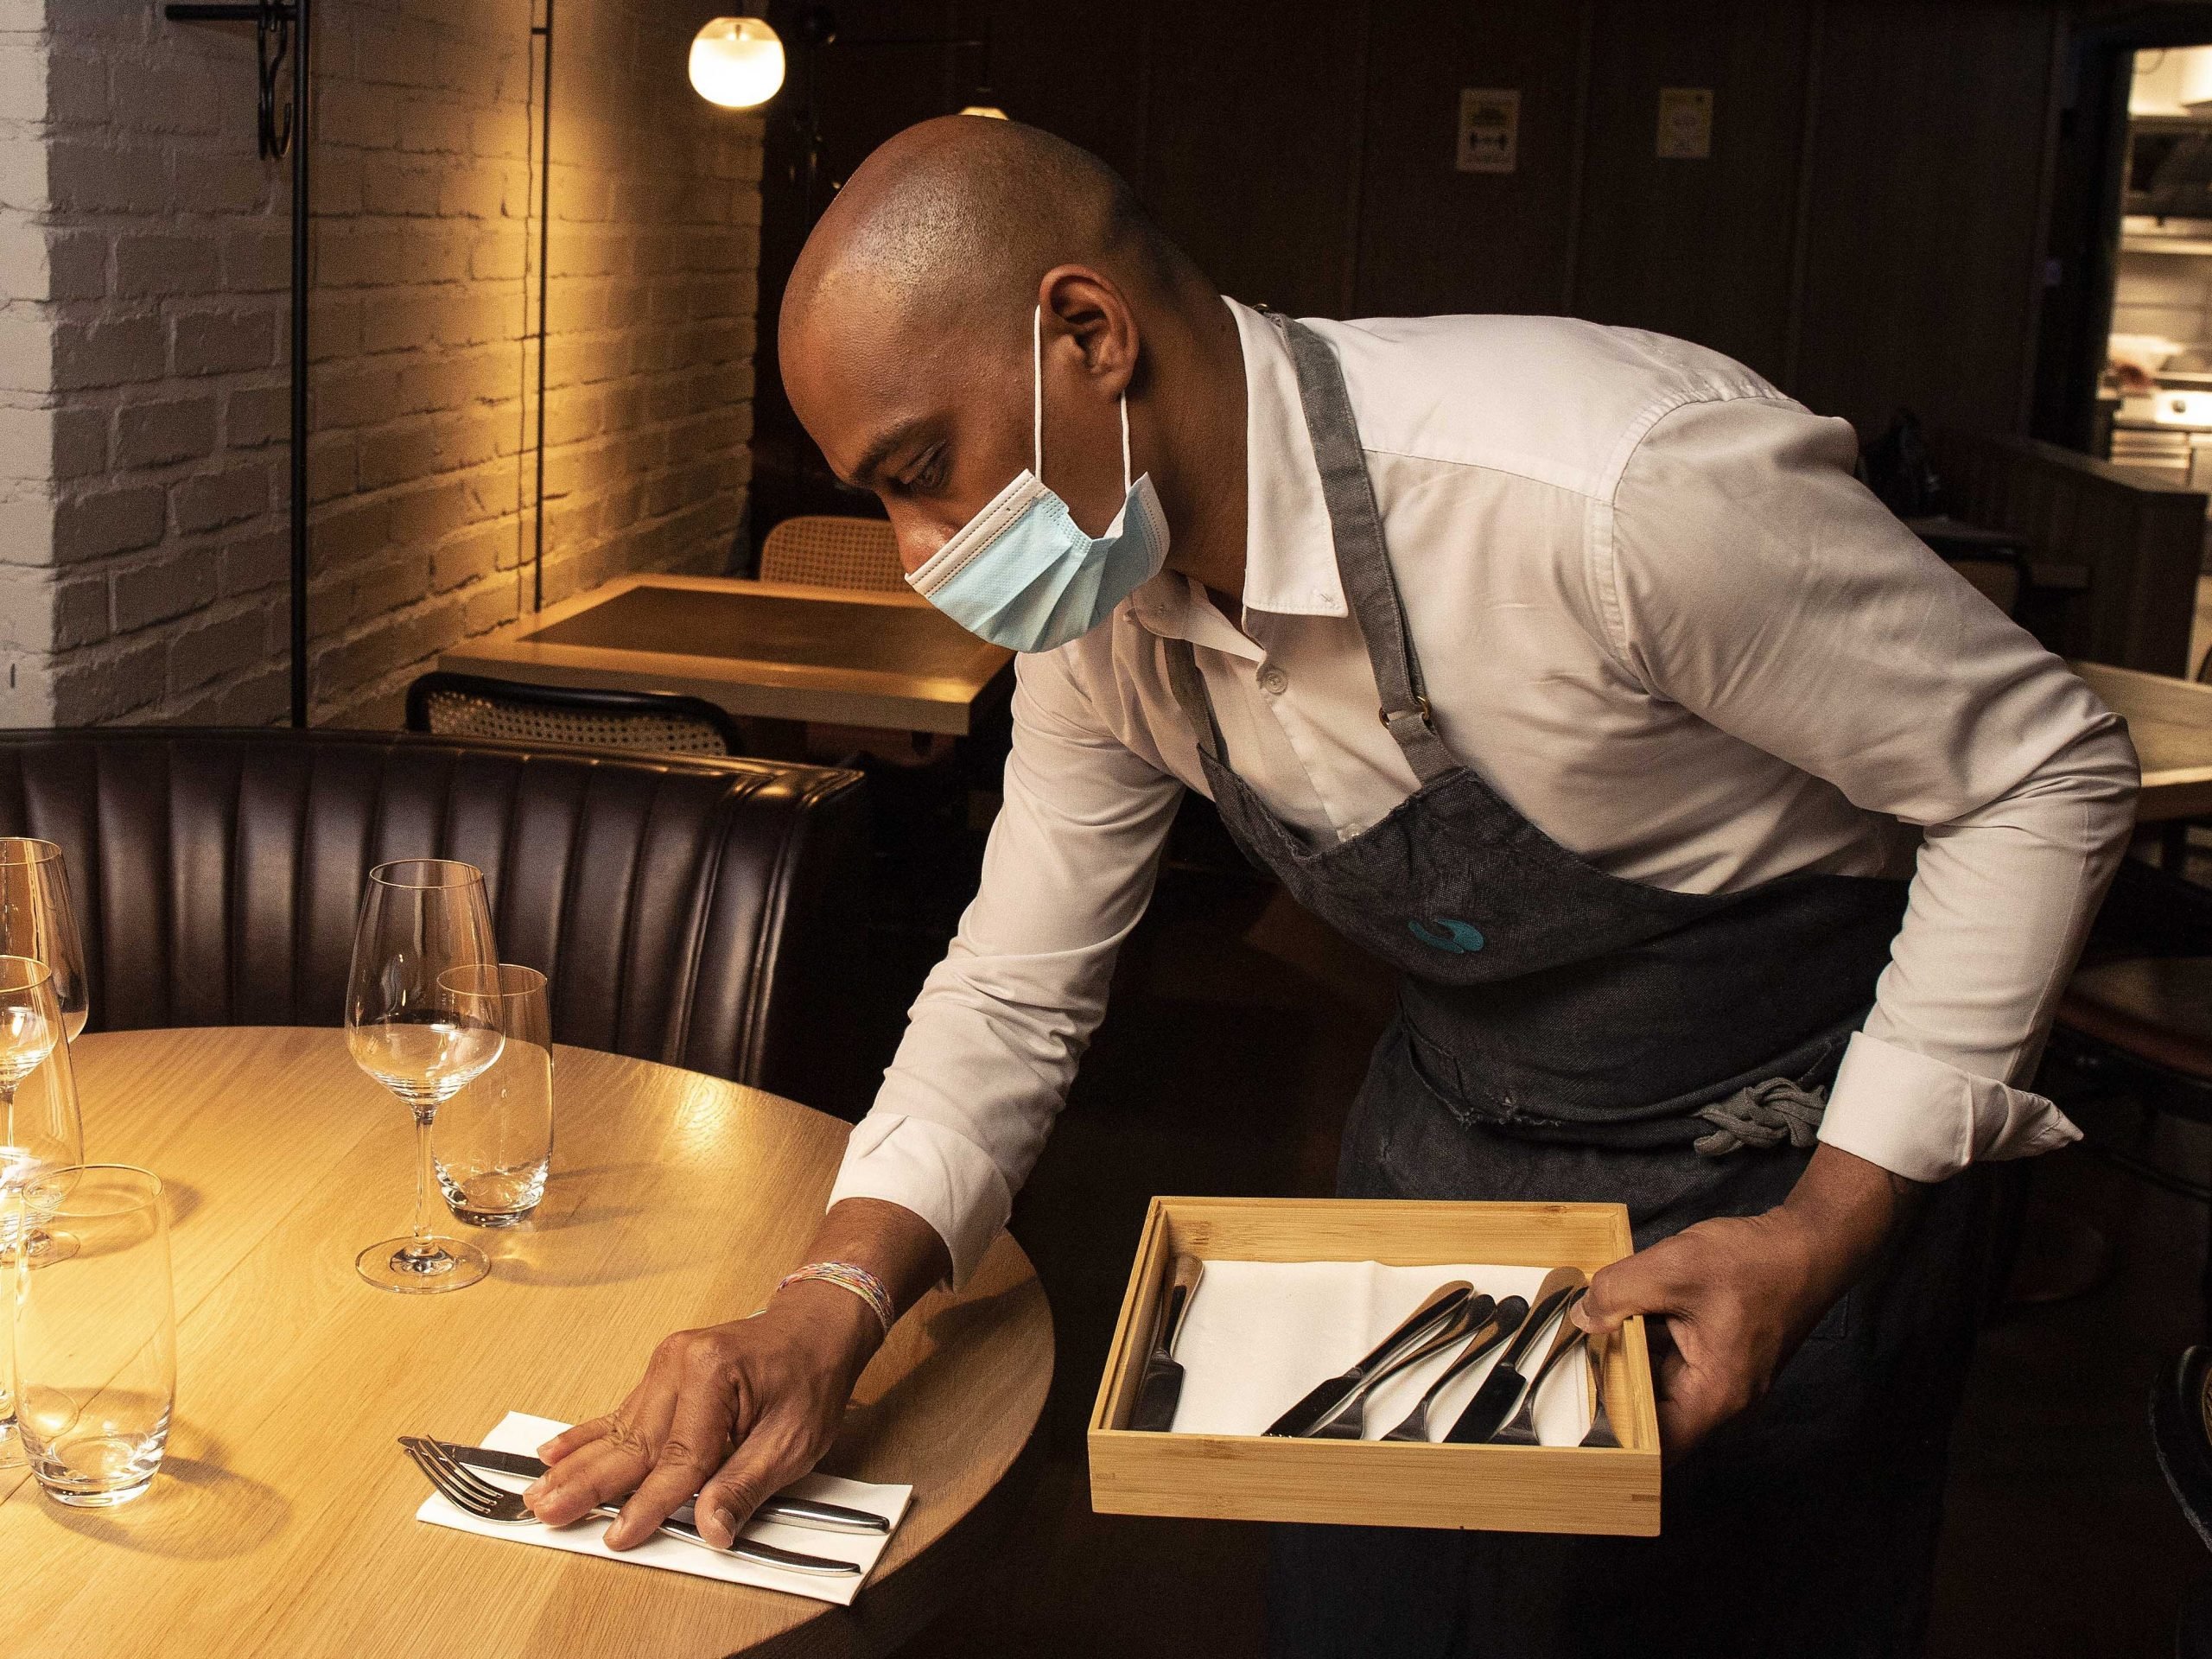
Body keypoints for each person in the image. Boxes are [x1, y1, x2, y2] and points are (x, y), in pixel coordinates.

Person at [523, 116, 2138, 1655]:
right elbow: (1018, 980)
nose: (913, 549)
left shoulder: (1608, 493)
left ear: (1086, 332)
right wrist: (829, 1301)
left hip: (1789, 1159)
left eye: (922, 466)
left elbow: (2040, 767)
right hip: (1454, 1140)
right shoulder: (1105, 614)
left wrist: (1827, 1227)